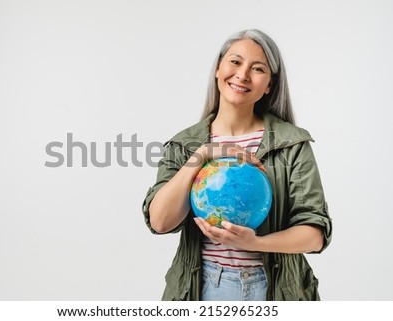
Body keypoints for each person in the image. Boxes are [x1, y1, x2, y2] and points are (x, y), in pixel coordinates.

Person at [142, 29, 332, 301]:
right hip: (204, 288)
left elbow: (314, 234)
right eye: (235, 61)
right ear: (218, 69)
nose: (242, 75)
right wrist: (203, 154)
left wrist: (256, 243)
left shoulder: (292, 143)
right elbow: (160, 221)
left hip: (275, 290)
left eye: (257, 68)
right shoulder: (184, 146)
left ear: (269, 84)